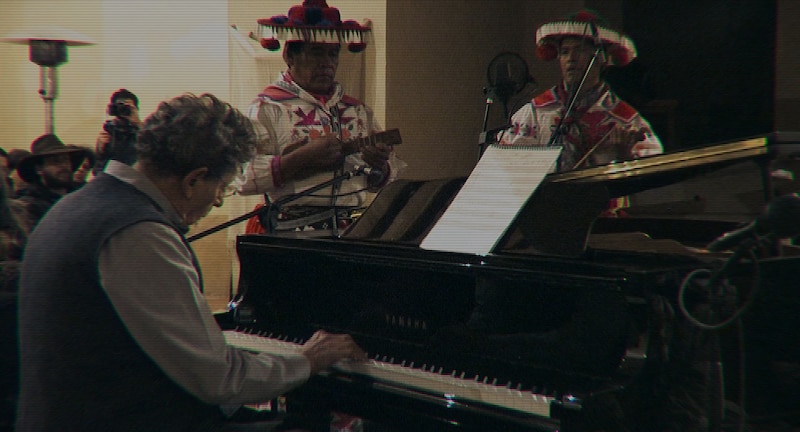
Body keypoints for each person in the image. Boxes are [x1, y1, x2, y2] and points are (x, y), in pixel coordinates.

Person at [16, 93, 365, 431]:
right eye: (223, 188)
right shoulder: (140, 234)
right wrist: (306, 360)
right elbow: (219, 378)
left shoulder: (71, 208)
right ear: (193, 179)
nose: (216, 202)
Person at [234, 0, 404, 234]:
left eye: (333, 54)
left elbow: (379, 181)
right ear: (289, 56)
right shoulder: (267, 108)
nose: (327, 63)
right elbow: (241, 178)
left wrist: (379, 167)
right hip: (291, 236)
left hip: (351, 234)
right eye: (316, 53)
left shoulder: (357, 111)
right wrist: (298, 160)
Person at [500, 10, 663, 173]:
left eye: (579, 50)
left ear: (601, 58)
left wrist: (624, 157)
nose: (571, 58)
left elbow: (652, 168)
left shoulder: (625, 118)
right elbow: (508, 164)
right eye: (565, 52)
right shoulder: (536, 111)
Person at [14, 134, 91, 232]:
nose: (63, 166)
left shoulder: (81, 198)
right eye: (55, 161)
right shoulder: (29, 207)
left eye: (66, 160)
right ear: (39, 169)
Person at [94, 88, 142, 174]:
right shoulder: (109, 131)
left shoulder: (142, 133)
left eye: (127, 108)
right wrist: (100, 150)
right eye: (120, 107)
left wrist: (137, 124)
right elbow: (98, 170)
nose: (123, 111)